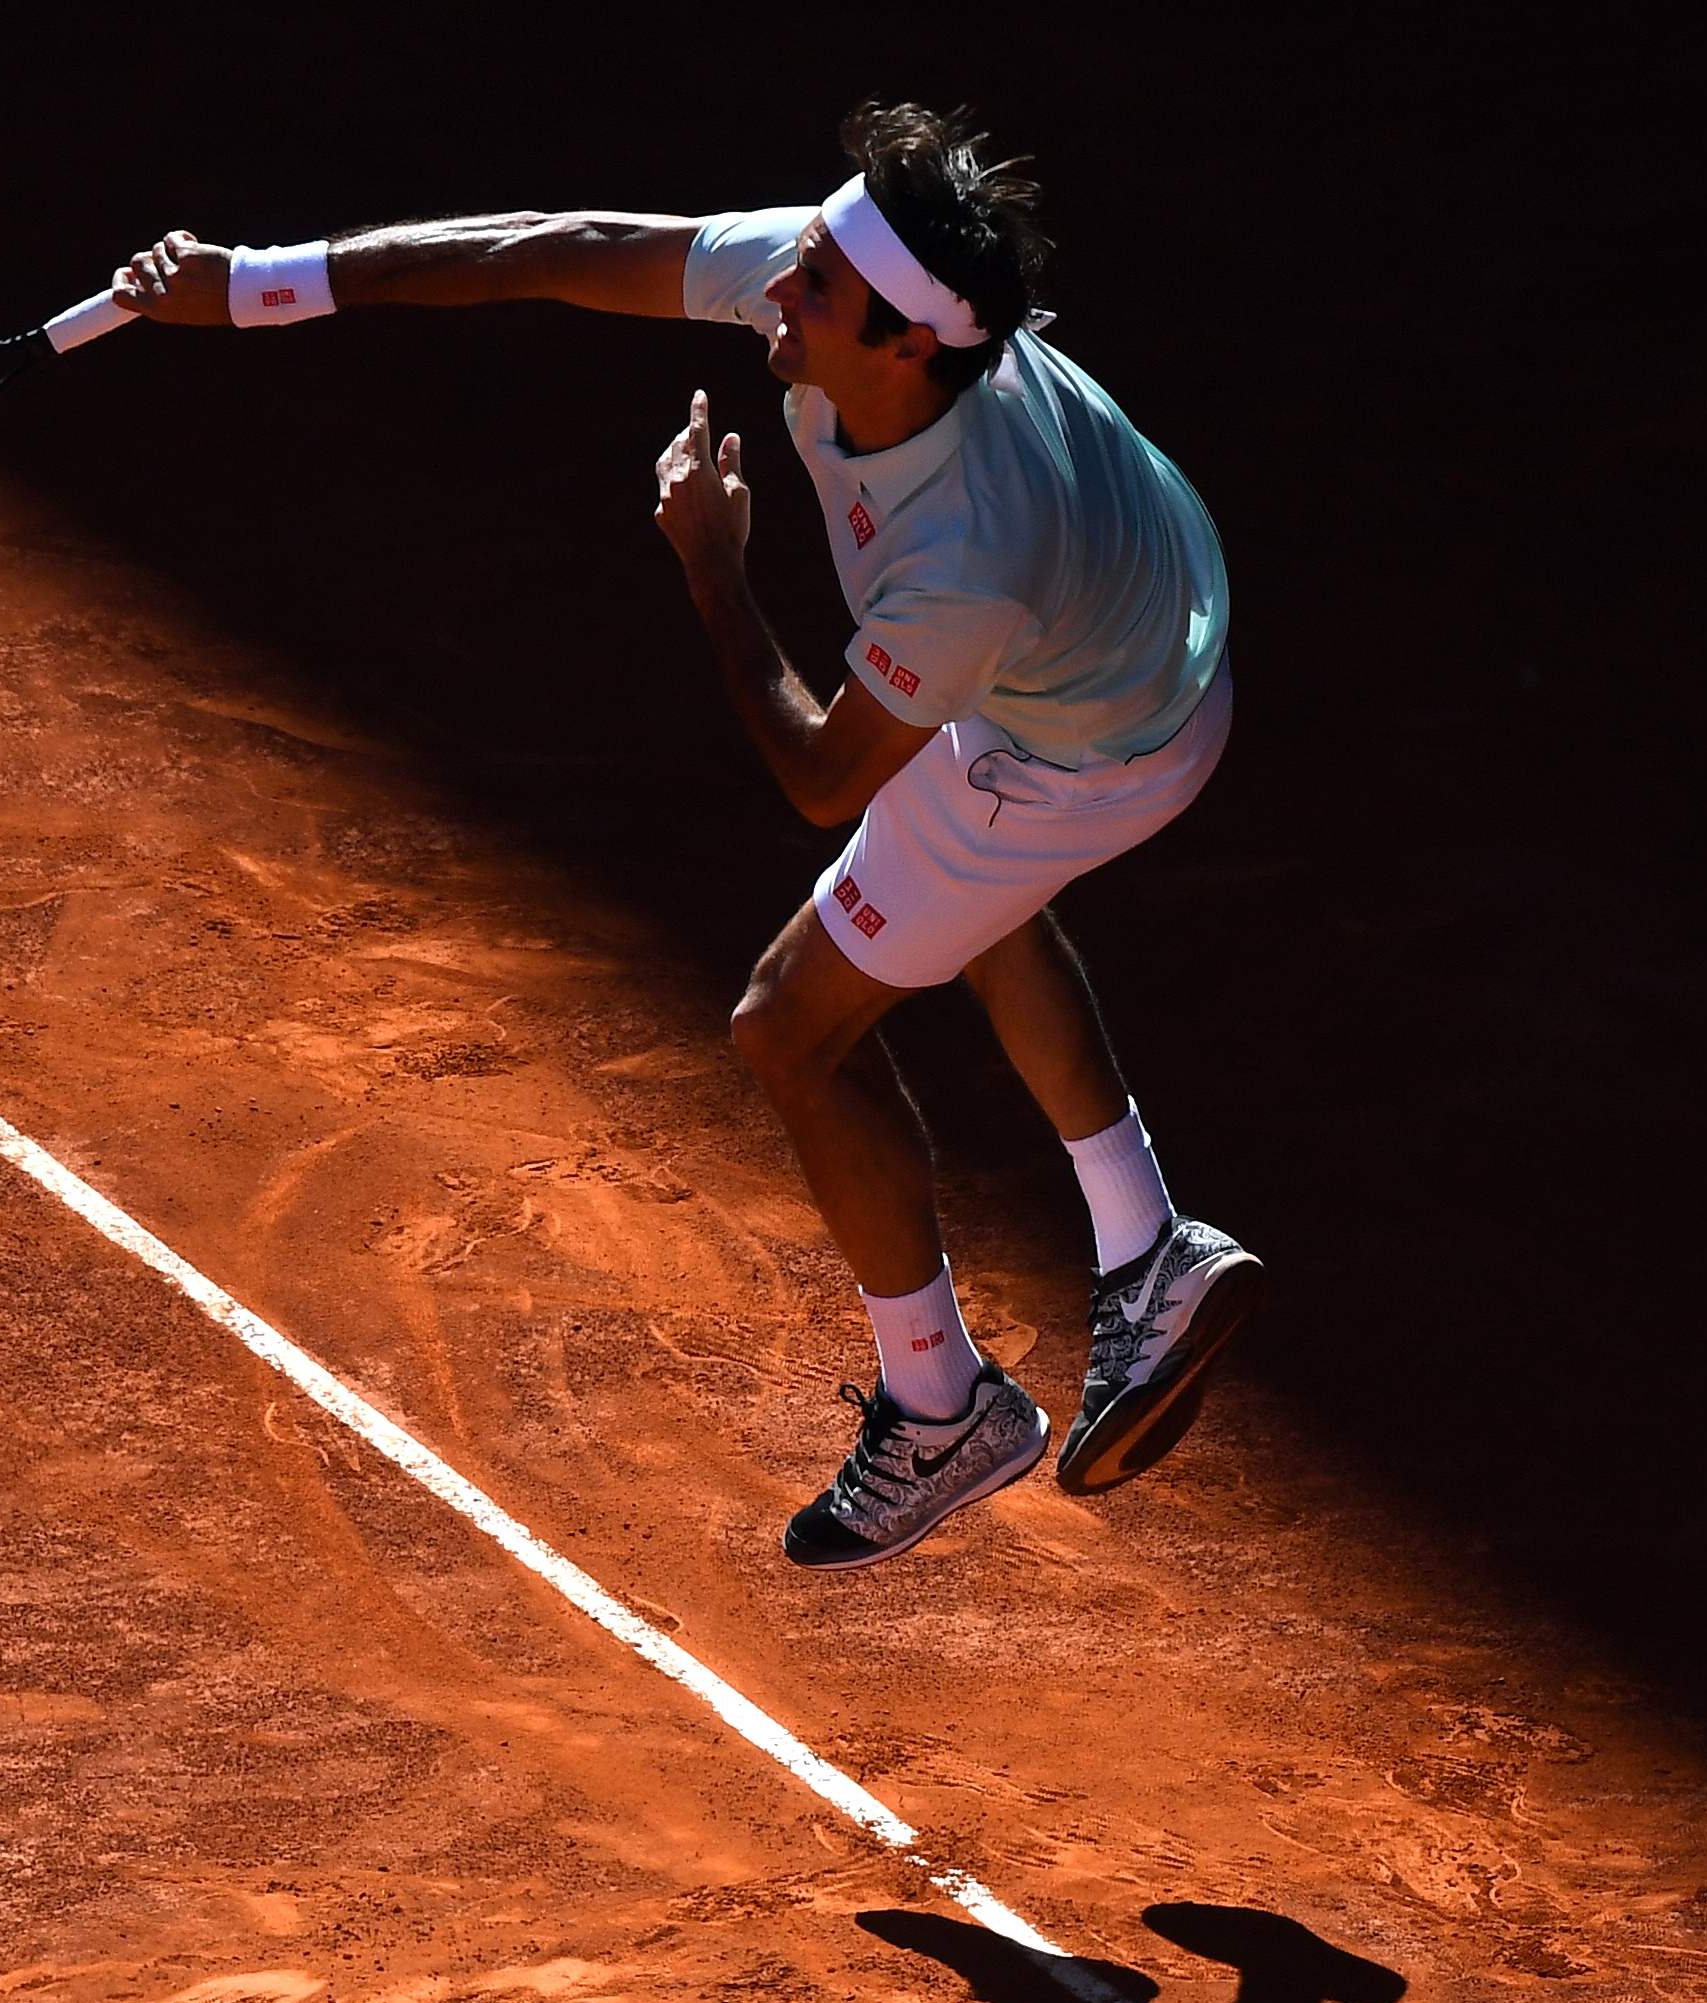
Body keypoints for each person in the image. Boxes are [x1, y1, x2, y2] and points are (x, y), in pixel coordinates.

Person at [108, 103, 1259, 1570]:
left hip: (1090, 746)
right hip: (1151, 619)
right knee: (963, 893)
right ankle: (1142, 1241)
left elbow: (824, 779)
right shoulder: (856, 285)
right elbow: (557, 247)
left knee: (790, 1029)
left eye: (815, 292)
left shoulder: (967, 560)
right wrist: (266, 283)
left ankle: (942, 1403)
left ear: (907, 346)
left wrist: (717, 571)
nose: (778, 288)